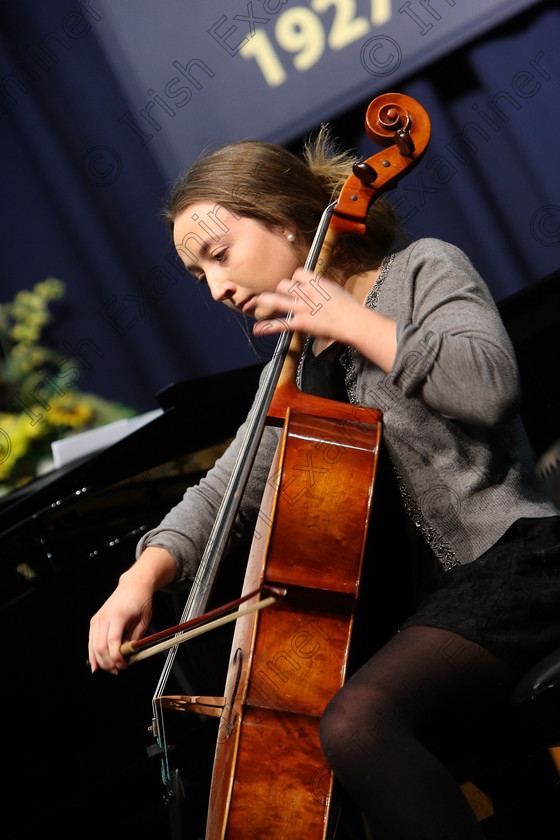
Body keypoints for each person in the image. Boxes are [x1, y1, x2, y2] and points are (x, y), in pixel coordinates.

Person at [88, 129, 560, 839]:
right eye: (198, 276)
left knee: (359, 721)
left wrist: (356, 322)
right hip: (436, 610)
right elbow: (230, 483)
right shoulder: (295, 359)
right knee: (324, 763)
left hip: (521, 562)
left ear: (285, 219)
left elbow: (488, 388)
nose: (216, 287)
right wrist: (142, 575)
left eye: (219, 255)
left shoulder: (422, 271)